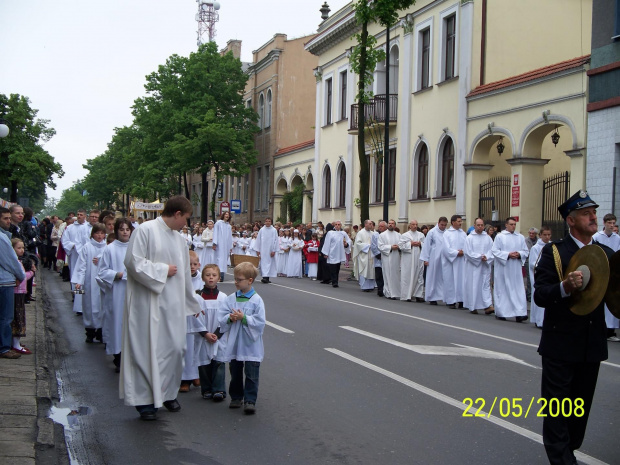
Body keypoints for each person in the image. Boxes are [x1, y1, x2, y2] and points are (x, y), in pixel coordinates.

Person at [534, 190, 614, 465]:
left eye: (593, 212)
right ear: (571, 220)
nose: (593, 217)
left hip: (591, 345)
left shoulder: (606, 253)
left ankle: (568, 451)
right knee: (557, 410)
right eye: (585, 213)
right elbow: (541, 294)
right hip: (560, 344)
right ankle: (562, 458)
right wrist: (564, 287)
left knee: (579, 412)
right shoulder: (554, 252)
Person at [120, 196, 202, 421]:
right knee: (147, 349)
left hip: (173, 304)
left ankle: (166, 393)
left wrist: (192, 303)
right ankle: (145, 402)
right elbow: (132, 262)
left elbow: (185, 274)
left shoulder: (180, 240)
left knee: (175, 349)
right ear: (177, 214)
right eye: (185, 219)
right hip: (147, 302)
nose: (186, 224)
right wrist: (162, 270)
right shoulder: (145, 230)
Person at [217, 262, 265, 414]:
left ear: (250, 281)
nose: (236, 282)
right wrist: (230, 318)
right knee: (235, 370)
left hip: (250, 342)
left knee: (251, 373)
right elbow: (221, 316)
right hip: (235, 341)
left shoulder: (257, 300)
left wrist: (244, 318)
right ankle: (236, 397)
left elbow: (260, 322)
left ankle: (250, 400)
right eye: (236, 279)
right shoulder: (231, 299)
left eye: (239, 279)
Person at [97, 218, 133, 373]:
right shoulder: (110, 249)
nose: (125, 232)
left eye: (127, 229)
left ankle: (132, 356)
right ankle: (118, 355)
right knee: (118, 322)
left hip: (134, 289)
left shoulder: (136, 247)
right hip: (118, 290)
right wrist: (117, 274)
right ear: (116, 231)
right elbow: (102, 271)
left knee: (133, 322)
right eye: (121, 229)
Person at [193, 264, 228, 401]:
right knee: (204, 363)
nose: (211, 278)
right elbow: (193, 317)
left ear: (219, 278)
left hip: (219, 335)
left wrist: (217, 334)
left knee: (219, 362)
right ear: (202, 278)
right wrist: (205, 333)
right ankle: (206, 388)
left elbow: (226, 318)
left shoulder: (224, 297)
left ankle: (219, 389)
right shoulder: (197, 296)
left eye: (214, 275)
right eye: (208, 275)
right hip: (203, 335)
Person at [73, 223, 107, 343]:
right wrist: (79, 281)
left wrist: (101, 259)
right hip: (89, 281)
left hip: (102, 282)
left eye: (102, 233)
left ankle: (101, 331)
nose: (99, 235)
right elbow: (82, 265)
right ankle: (90, 331)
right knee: (88, 306)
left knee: (101, 306)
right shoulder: (87, 247)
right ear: (93, 234)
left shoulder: (107, 247)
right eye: (97, 233)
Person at [0, 207, 26, 359]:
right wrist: (21, 275)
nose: (9, 221)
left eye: (9, 218)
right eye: (5, 218)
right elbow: (11, 261)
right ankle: (4, 348)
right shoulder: (2, 238)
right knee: (6, 317)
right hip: (4, 282)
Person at [492, 217, 529, 322]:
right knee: (503, 289)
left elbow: (525, 251)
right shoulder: (500, 236)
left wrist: (519, 254)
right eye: (511, 224)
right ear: (506, 225)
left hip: (516, 269)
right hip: (504, 267)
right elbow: (494, 251)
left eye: (514, 224)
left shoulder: (520, 237)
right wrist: (507, 254)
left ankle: (520, 313)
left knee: (518, 290)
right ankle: (501, 312)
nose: (513, 226)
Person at [592, 213, 620, 341]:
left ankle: (611, 329)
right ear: (604, 223)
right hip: (601, 271)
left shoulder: (617, 238)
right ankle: (601, 327)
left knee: (612, 298)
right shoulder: (597, 237)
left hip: (613, 271)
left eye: (613, 223)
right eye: (610, 223)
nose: (612, 225)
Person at [179, 251, 203, 393]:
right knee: (186, 349)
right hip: (185, 318)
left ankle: (196, 374)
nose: (192, 267)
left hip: (199, 319)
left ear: (199, 264)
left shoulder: (202, 278)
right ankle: (185, 379)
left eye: (195, 264)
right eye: (189, 264)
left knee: (198, 348)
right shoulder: (180, 278)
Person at [63, 209, 92, 315]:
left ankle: (86, 301)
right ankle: (77, 298)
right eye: (78, 214)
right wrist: (73, 245)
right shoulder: (70, 228)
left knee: (86, 278)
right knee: (76, 278)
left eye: (81, 215)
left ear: (85, 216)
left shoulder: (88, 227)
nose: (79, 216)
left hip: (86, 256)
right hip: (75, 256)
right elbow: (65, 241)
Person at [463, 218, 494, 315]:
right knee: (474, 285)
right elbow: (467, 253)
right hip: (473, 266)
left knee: (485, 285)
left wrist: (487, 257)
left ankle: (487, 305)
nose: (480, 227)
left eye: (482, 225)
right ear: (474, 225)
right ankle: (473, 305)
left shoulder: (488, 238)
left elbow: (492, 250)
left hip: (484, 265)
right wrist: (479, 257)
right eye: (478, 225)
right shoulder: (469, 238)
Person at [10, 238, 35, 355]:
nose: (22, 250)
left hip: (20, 292)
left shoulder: (17, 261)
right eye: (18, 248)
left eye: (23, 248)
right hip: (17, 292)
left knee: (18, 316)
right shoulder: (14, 261)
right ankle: (15, 344)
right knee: (18, 317)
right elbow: (22, 277)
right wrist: (32, 273)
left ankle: (15, 342)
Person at [420, 217, 448, 305]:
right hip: (433, 258)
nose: (443, 227)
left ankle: (445, 296)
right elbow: (427, 246)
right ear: (438, 223)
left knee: (444, 278)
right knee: (433, 277)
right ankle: (432, 297)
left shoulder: (447, 233)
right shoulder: (432, 232)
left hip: (444, 258)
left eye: (445, 225)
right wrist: (425, 259)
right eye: (441, 225)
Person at [529, 225, 552, 327]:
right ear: (540, 235)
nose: (547, 237)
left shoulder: (552, 246)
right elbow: (533, 263)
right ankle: (539, 320)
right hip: (541, 275)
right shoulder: (535, 248)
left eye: (549, 235)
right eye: (545, 235)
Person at [442, 215, 467, 309]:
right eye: (459, 221)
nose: (460, 223)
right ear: (453, 222)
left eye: (461, 221)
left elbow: (467, 245)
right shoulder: (447, 234)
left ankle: (461, 300)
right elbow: (445, 248)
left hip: (461, 261)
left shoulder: (463, 233)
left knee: (461, 280)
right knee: (450, 280)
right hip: (451, 262)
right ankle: (451, 300)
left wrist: (463, 251)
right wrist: (456, 253)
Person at [399, 220, 425, 302]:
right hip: (408, 259)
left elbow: (426, 245)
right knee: (407, 276)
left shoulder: (421, 235)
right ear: (410, 225)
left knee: (419, 276)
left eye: (416, 224)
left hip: (419, 258)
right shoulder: (405, 235)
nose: (415, 226)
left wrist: (420, 244)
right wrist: (410, 244)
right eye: (413, 224)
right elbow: (401, 246)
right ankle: (407, 295)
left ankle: (418, 295)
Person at [321, 221, 351, 288]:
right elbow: (327, 243)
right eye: (336, 224)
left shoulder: (343, 233)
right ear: (334, 225)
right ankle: (334, 282)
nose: (337, 226)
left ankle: (336, 280)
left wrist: (346, 244)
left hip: (339, 254)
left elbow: (349, 241)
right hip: (332, 253)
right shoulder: (330, 233)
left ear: (341, 225)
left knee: (337, 268)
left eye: (339, 224)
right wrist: (326, 253)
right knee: (333, 268)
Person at [378, 219, 401, 300]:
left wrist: (398, 247)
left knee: (395, 275)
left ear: (395, 225)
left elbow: (402, 245)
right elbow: (380, 246)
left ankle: (395, 292)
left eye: (392, 223)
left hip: (396, 257)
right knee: (387, 274)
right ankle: (388, 293)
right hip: (387, 257)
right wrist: (390, 247)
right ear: (387, 225)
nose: (391, 225)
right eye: (389, 223)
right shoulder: (382, 235)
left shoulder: (398, 235)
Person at [353, 220, 375, 292]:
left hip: (371, 254)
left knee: (371, 270)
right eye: (369, 224)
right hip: (364, 255)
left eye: (371, 224)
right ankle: (364, 286)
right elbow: (358, 244)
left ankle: (371, 286)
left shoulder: (373, 233)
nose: (371, 225)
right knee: (364, 270)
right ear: (365, 224)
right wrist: (368, 246)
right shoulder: (360, 233)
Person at [255, 217, 279, 283]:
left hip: (270, 250)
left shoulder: (274, 230)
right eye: (266, 221)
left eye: (269, 221)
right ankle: (264, 277)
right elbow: (258, 240)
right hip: (263, 250)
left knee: (270, 263)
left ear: (271, 222)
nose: (268, 222)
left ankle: (267, 278)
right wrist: (258, 250)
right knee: (263, 263)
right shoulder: (262, 230)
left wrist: (274, 250)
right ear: (265, 222)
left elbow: (276, 240)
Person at [212, 212, 233, 282]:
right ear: (223, 215)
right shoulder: (218, 223)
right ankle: (218, 275)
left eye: (228, 215)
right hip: (219, 244)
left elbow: (230, 237)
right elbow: (215, 233)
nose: (227, 216)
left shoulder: (228, 226)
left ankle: (222, 275)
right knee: (219, 259)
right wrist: (214, 243)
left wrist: (230, 247)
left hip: (226, 245)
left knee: (224, 260)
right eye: (226, 214)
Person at [370, 221, 386, 297]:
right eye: (379, 226)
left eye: (382, 226)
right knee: (379, 275)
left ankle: (385, 289)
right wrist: (378, 254)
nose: (380, 227)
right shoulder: (375, 235)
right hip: (378, 258)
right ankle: (380, 289)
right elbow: (373, 246)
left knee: (385, 275)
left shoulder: (387, 235)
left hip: (386, 257)